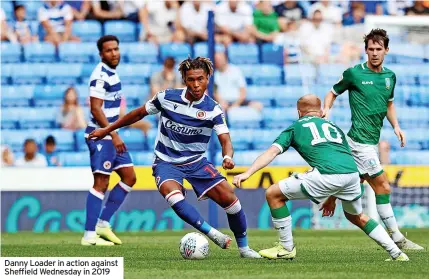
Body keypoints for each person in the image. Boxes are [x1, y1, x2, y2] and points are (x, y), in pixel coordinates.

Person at [89, 57, 261, 258]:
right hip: (166, 162)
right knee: (174, 198)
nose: (196, 85)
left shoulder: (213, 109)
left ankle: (244, 249)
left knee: (232, 202)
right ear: (184, 79)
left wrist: (227, 157)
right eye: (191, 80)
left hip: (196, 162)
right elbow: (137, 114)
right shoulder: (166, 98)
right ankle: (212, 233)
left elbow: (225, 139)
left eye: (200, 79)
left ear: (208, 79)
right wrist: (107, 129)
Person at [233, 94, 409, 261]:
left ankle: (286, 248)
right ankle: (397, 253)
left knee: (273, 194)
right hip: (351, 175)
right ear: (320, 111)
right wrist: (332, 198)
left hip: (327, 175)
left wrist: (248, 173)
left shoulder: (296, 127)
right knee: (358, 216)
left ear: (299, 112)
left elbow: (271, 152)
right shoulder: (335, 128)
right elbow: (343, 161)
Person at [323, 29, 423, 250]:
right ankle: (398, 239)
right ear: (365, 50)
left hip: (368, 143)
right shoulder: (354, 73)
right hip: (360, 143)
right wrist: (326, 109)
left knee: (353, 193)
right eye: (370, 49)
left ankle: (331, 197)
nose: (374, 53)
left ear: (386, 50)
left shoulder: (390, 77)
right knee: (384, 187)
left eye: (379, 49)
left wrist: (396, 126)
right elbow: (331, 92)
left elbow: (388, 103)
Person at [81, 35, 137, 246]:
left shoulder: (112, 72)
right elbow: (95, 108)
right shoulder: (100, 76)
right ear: (101, 54)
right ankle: (89, 236)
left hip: (111, 134)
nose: (114, 53)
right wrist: (113, 133)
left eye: (116, 49)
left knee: (129, 177)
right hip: (102, 136)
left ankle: (103, 223)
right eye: (108, 50)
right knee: (101, 183)